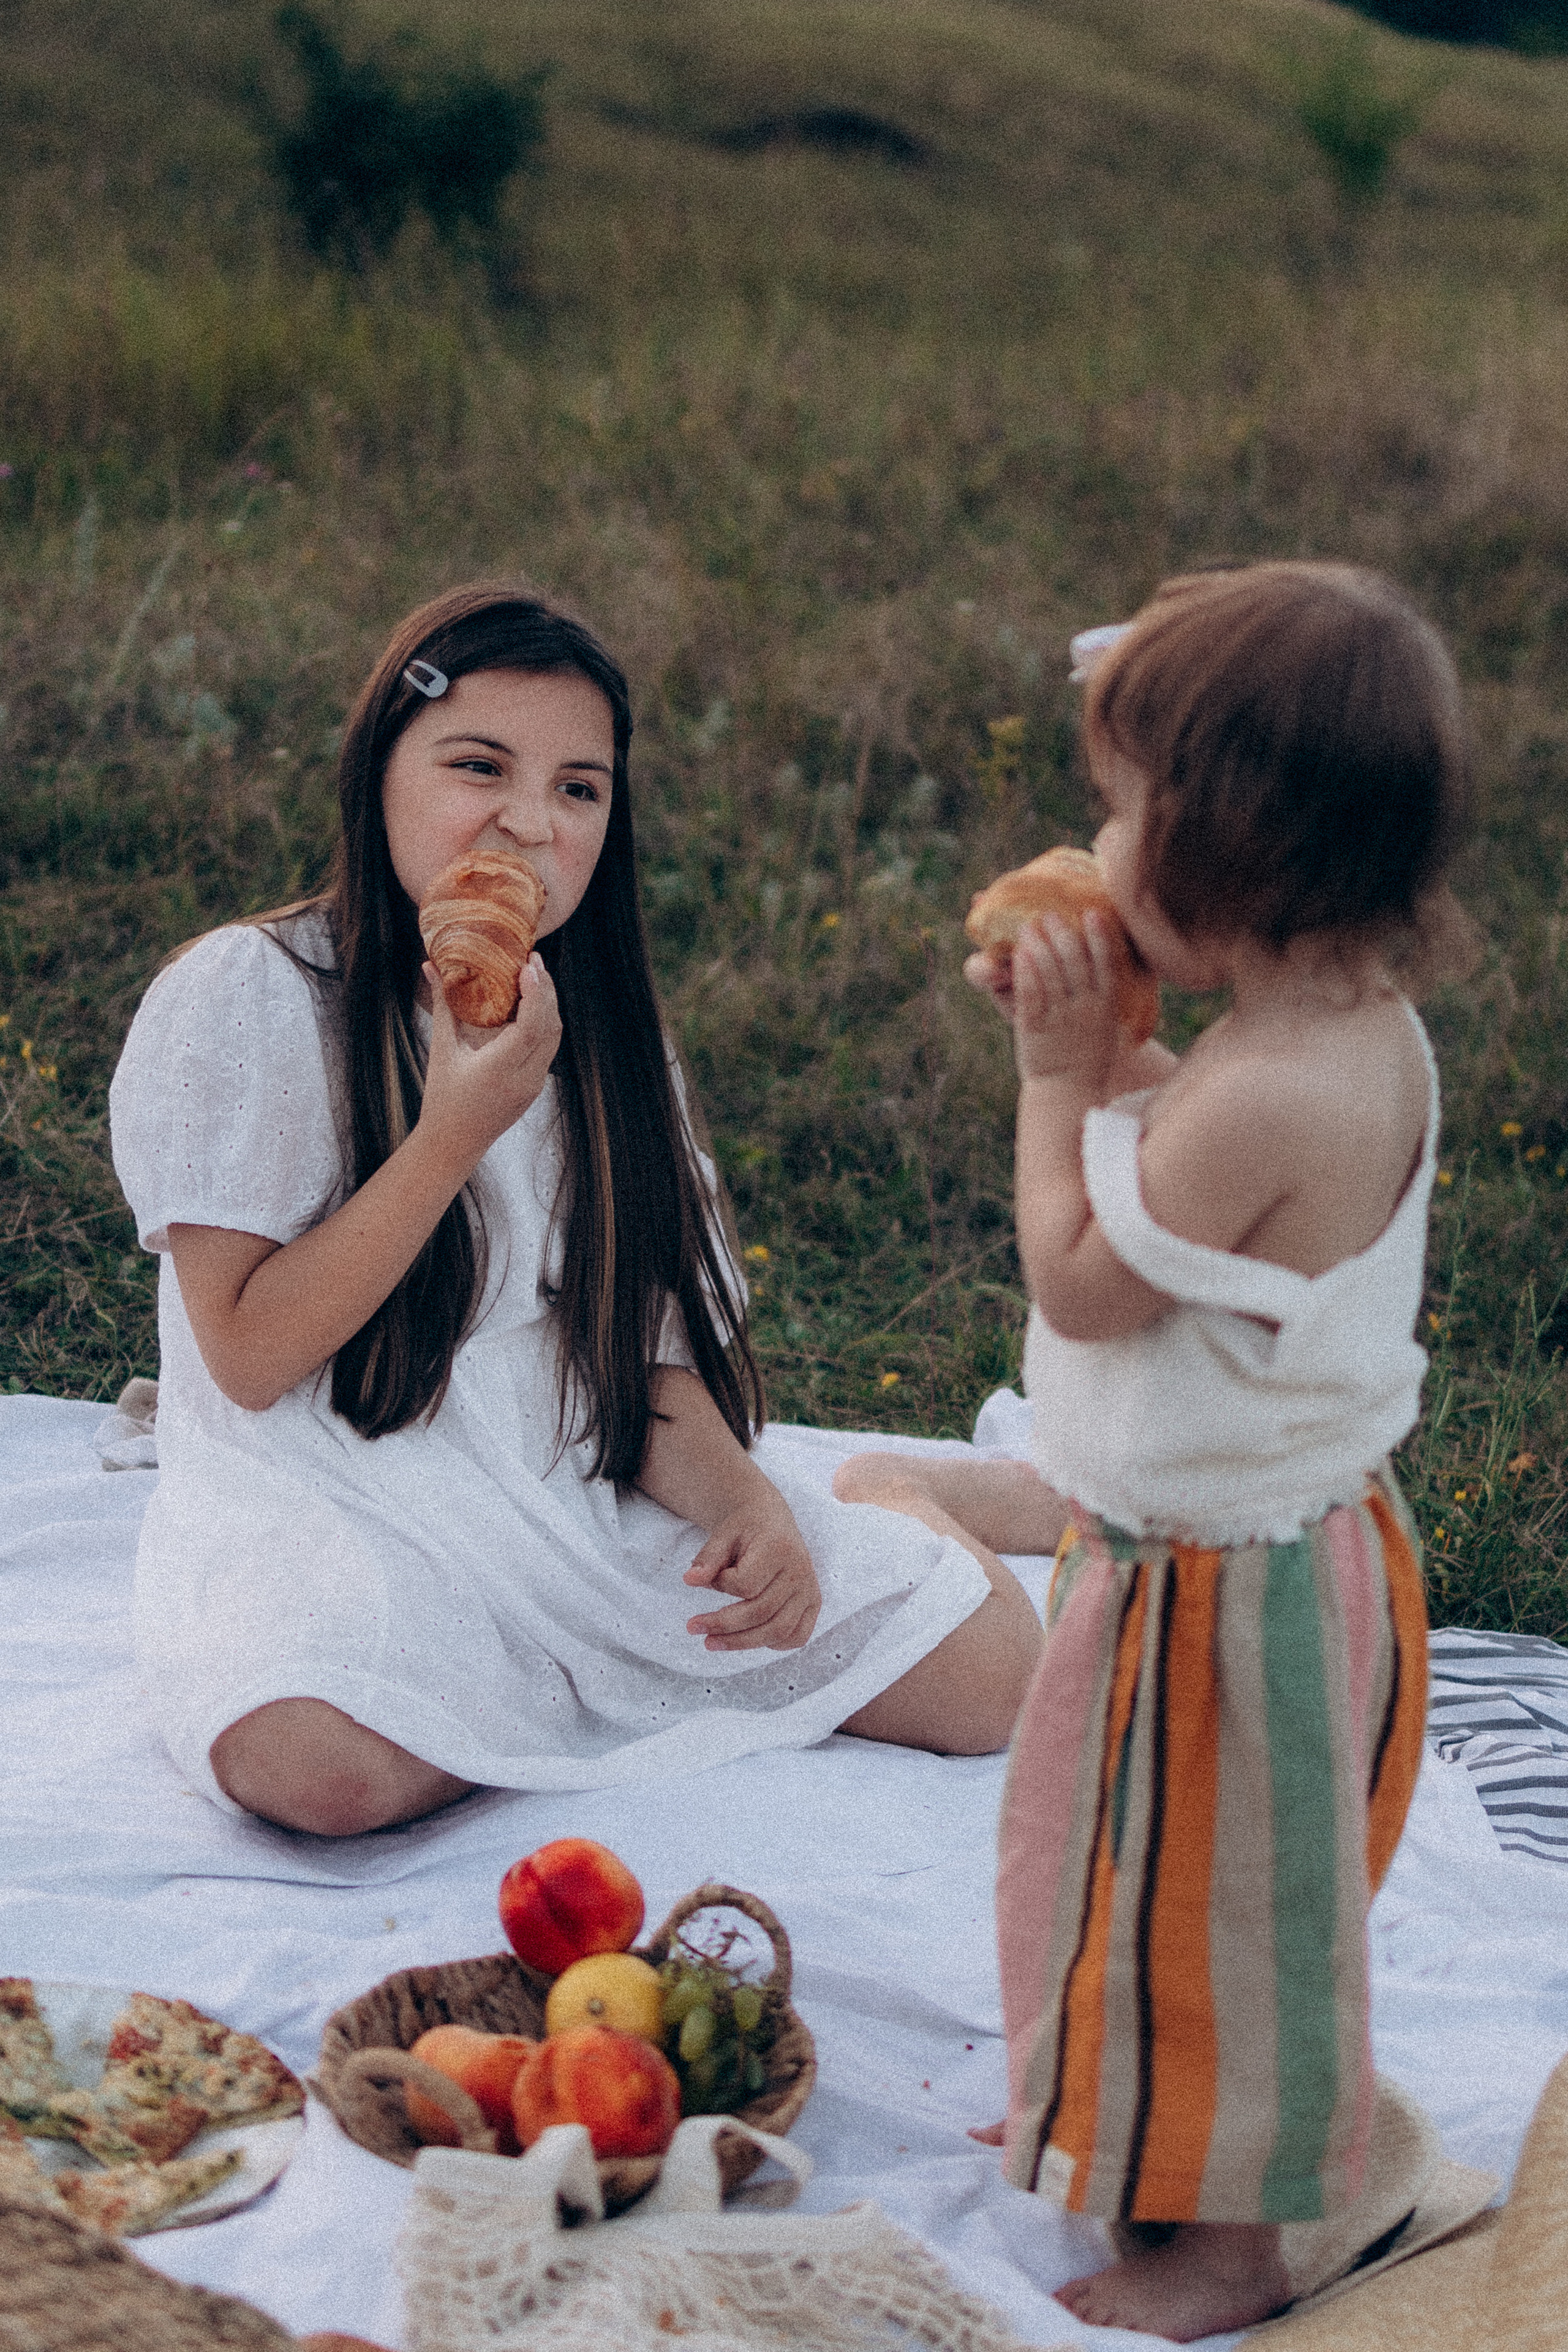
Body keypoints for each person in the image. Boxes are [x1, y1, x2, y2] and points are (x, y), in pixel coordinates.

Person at [108, 584, 1040, 1838]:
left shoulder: (601, 1037)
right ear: (378, 769)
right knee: (313, 1771)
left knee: (991, 1676)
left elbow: (633, 1352)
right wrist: (451, 1137)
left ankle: (880, 1489)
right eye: (477, 765)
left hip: (558, 1497)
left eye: (577, 789)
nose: (527, 823)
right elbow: (250, 1353)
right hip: (340, 1504)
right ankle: (535, 1689)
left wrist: (746, 1508)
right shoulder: (255, 996)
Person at [844, 561, 1474, 2339]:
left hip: (1225, 1601)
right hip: (1238, 1553)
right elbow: (1181, 1161)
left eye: (1123, 812)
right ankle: (1125, 2120)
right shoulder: (1321, 1031)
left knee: (1216, 1923)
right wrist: (1125, 1054)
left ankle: (1236, 2240)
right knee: (1115, 1881)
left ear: (1233, 853)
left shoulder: (1284, 1089)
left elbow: (1087, 1276)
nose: (1098, 844)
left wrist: (1059, 1080)